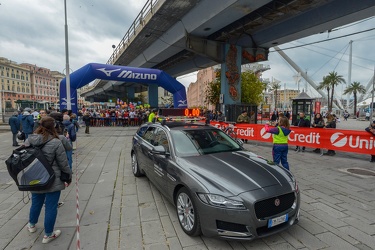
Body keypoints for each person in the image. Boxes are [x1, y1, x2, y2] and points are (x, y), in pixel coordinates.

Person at [25, 116, 72, 244]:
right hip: (52, 178)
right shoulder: (56, 142)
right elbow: (63, 163)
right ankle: (48, 234)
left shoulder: (30, 140)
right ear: (54, 127)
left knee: (36, 202)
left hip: (34, 177)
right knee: (51, 207)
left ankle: (31, 225)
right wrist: (68, 176)